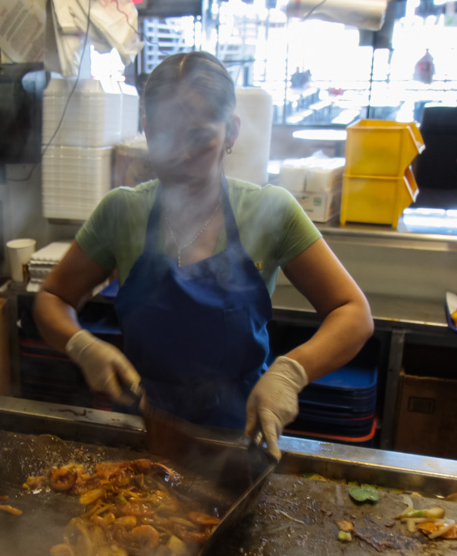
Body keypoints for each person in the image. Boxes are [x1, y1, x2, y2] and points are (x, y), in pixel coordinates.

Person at [33, 51, 373, 459]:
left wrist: (290, 373)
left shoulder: (272, 211)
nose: (177, 154)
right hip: (141, 431)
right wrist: (82, 346)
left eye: (197, 136)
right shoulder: (121, 212)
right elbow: (52, 299)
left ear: (230, 132)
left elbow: (353, 312)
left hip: (240, 436)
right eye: (162, 134)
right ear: (146, 128)